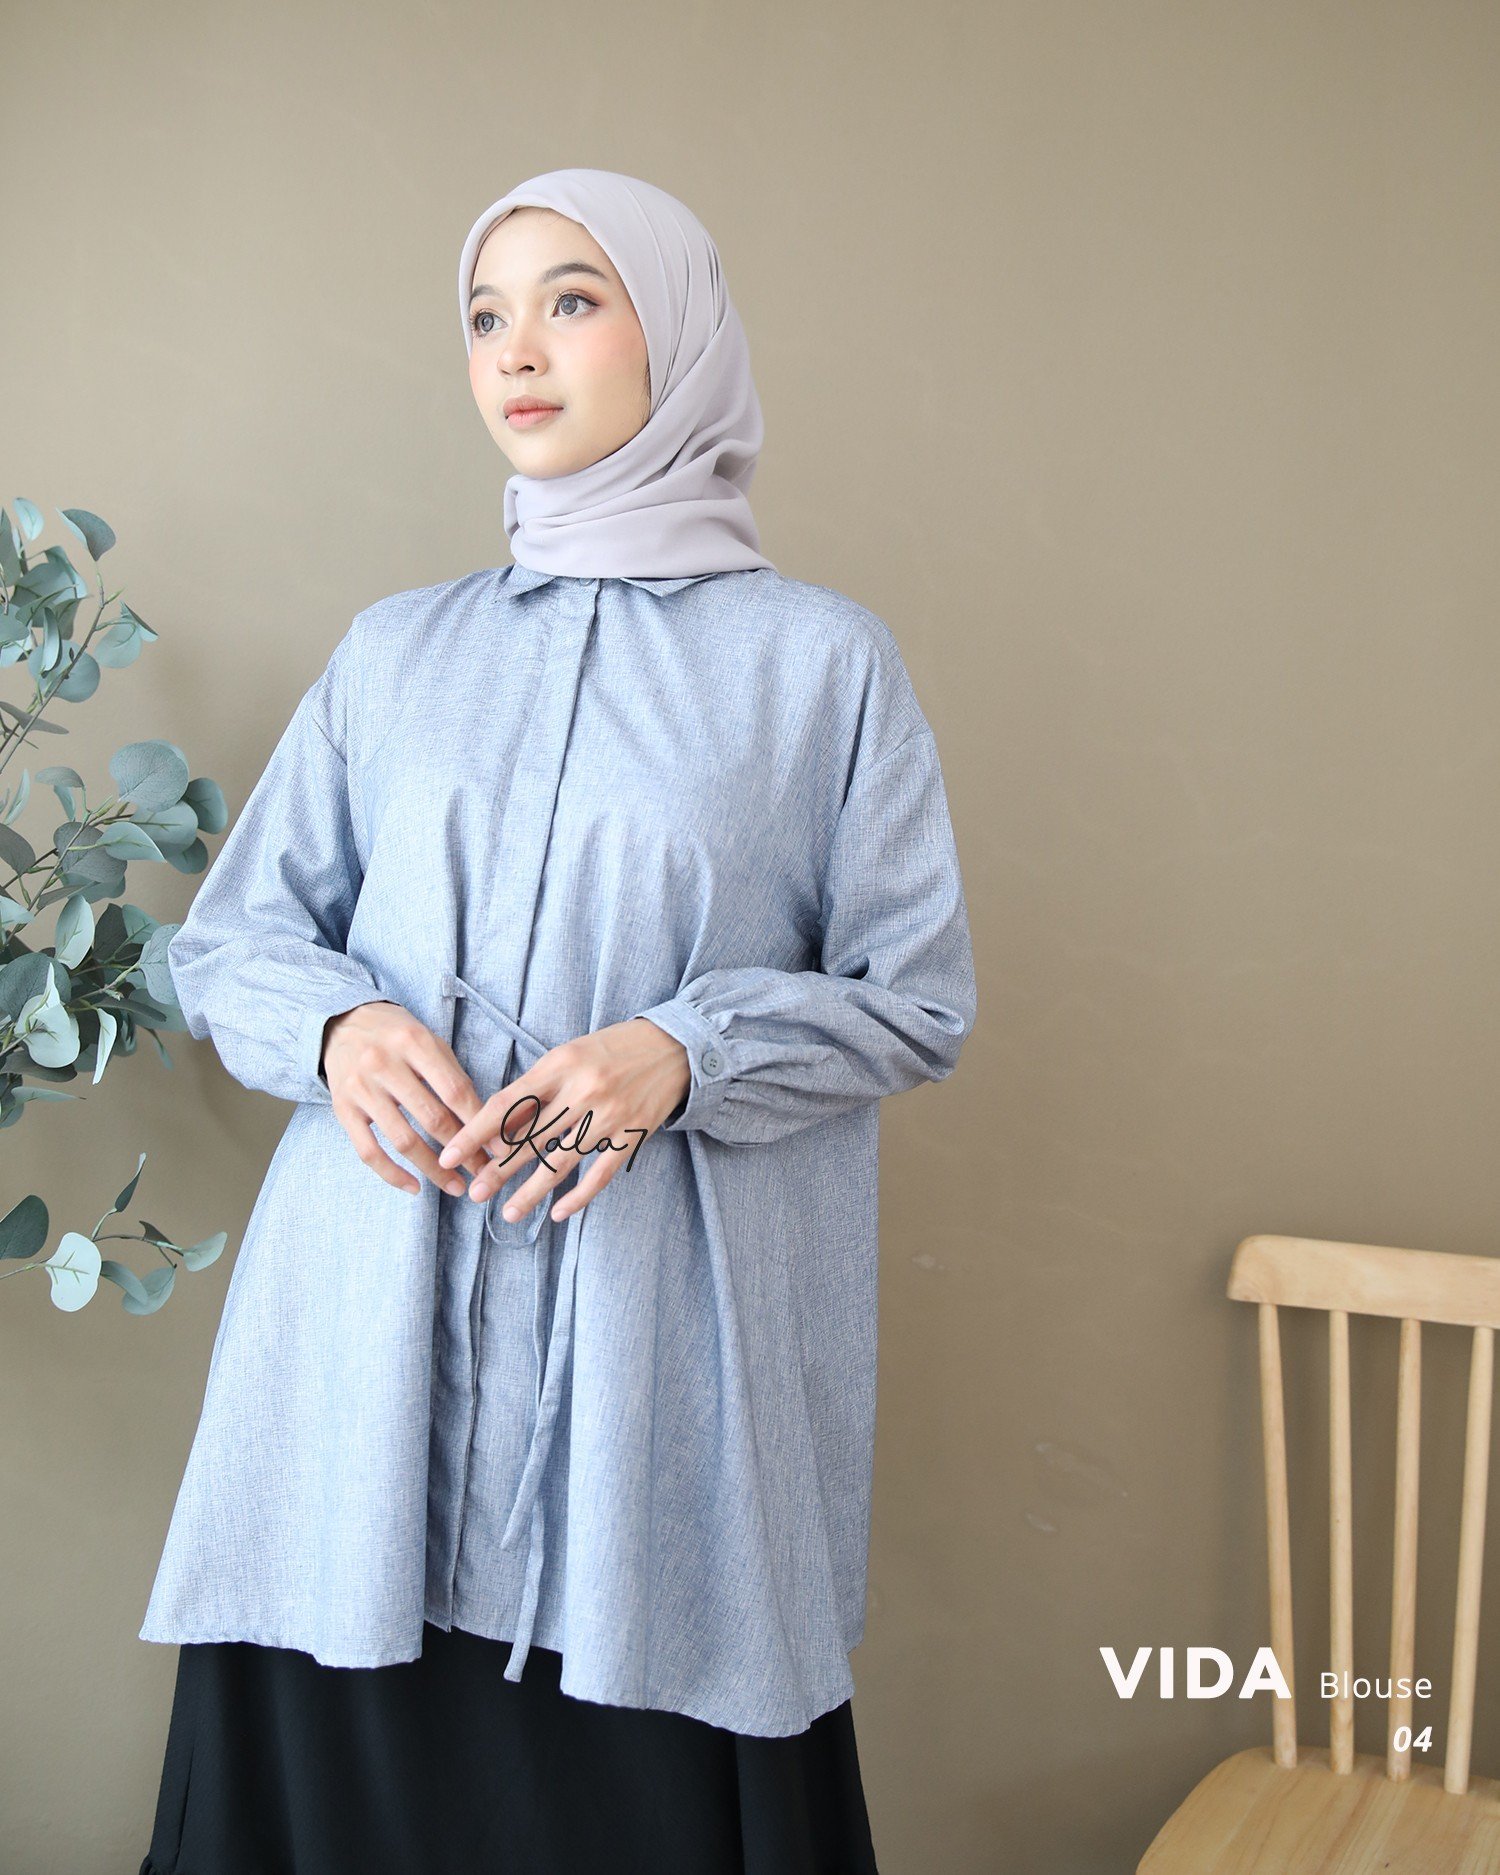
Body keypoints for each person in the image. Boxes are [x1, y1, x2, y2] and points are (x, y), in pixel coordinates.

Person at [138, 166, 977, 1874]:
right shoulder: (394, 654)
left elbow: (916, 996)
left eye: (572, 301)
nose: (516, 351)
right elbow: (229, 944)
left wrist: (689, 1052)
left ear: (678, 333)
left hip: (652, 1400)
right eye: (485, 314)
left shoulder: (822, 667)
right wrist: (338, 1033)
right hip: (358, 1374)